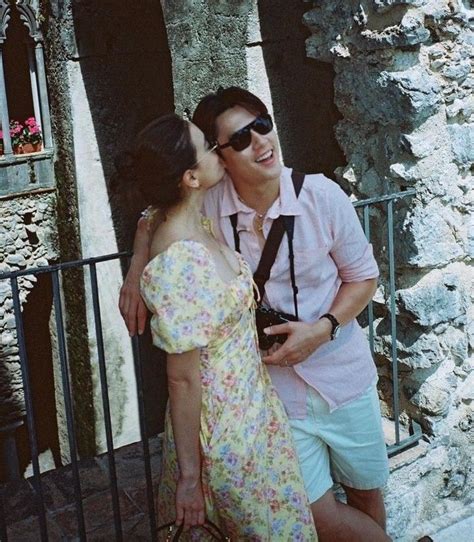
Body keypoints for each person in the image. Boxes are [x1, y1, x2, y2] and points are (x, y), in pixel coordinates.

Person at [120, 88, 391, 542]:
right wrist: (135, 269)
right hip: (274, 395)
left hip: (343, 376)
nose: (261, 142)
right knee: (316, 516)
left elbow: (364, 278)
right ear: (220, 156)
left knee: (365, 495)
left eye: (263, 124)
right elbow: (158, 211)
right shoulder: (210, 202)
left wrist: (323, 329)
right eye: (241, 138)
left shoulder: (323, 196)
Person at [115, 113, 317, 540]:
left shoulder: (190, 217)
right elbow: (183, 379)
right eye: (207, 146)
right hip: (225, 435)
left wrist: (134, 266)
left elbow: (148, 215)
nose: (216, 149)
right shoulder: (177, 262)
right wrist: (191, 477)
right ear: (190, 177)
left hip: (254, 413)